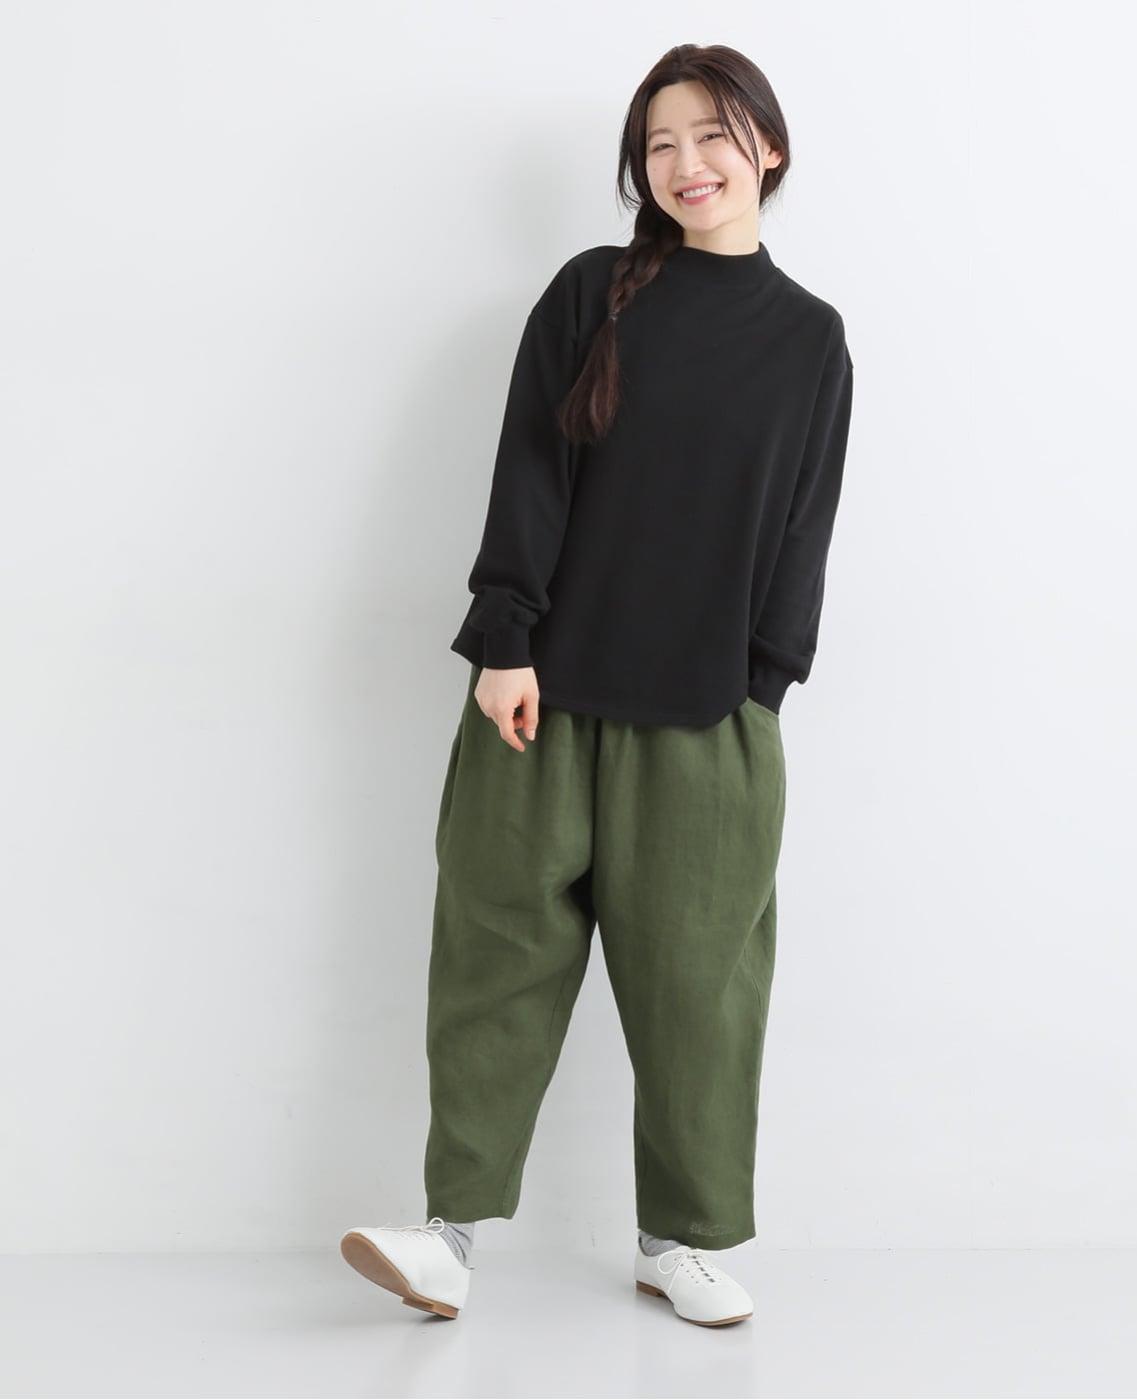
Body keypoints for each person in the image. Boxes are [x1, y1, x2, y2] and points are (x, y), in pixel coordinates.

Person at [341, 41, 854, 1328]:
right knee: (494, 958)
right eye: (660, 144)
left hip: (708, 717)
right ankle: (449, 1235)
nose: (686, 163)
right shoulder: (592, 294)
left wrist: (764, 689)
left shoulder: (810, 340)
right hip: (541, 699)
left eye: (712, 135)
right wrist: (504, 638)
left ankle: (680, 1239)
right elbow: (530, 467)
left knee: (699, 988)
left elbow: (804, 527)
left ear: (768, 147)